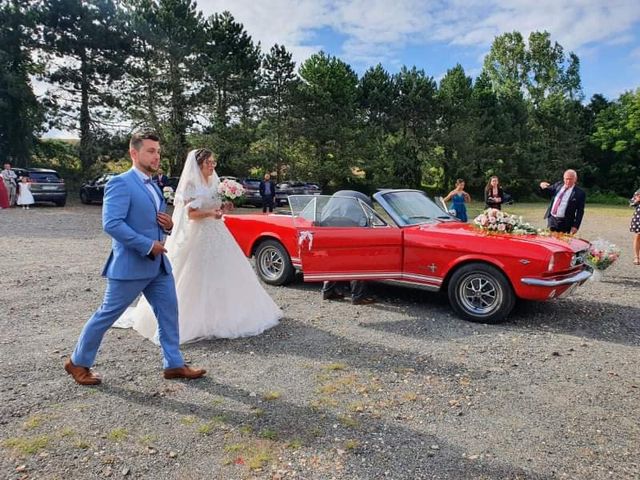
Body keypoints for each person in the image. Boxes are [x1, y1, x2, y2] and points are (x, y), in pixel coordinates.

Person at [65, 129, 206, 385]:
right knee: (107, 315)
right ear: (134, 152)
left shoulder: (155, 185)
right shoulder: (120, 183)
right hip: (130, 266)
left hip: (158, 266)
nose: (156, 157)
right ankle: (78, 362)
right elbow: (112, 224)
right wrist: (146, 245)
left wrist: (169, 226)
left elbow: (152, 222)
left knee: (169, 313)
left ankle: (173, 364)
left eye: (158, 152)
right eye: (151, 151)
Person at [114, 148, 282, 343]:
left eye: (213, 162)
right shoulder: (191, 184)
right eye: (209, 163)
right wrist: (211, 213)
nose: (212, 166)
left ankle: (227, 313)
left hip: (217, 232)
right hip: (198, 235)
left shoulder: (215, 182)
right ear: (199, 164)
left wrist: (225, 207)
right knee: (195, 274)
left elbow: (217, 206)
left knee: (226, 272)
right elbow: (190, 215)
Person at [319, 190, 376, 306]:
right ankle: (358, 297)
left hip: (329, 228)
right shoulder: (364, 200)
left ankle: (327, 291)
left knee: (334, 260)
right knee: (356, 263)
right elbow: (370, 218)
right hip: (350, 230)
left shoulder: (337, 196)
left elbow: (323, 214)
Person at [539, 169, 586, 234]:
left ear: (575, 179)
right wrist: (542, 186)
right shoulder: (558, 185)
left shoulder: (580, 193)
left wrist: (576, 226)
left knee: (562, 242)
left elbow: (580, 211)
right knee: (550, 240)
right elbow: (547, 192)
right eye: (567, 179)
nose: (568, 181)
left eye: (571, 179)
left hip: (566, 223)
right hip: (552, 220)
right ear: (563, 178)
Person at [630, 189, 640, 265]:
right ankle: (636, 257)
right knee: (638, 236)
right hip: (639, 217)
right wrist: (637, 200)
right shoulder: (638, 192)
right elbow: (631, 203)